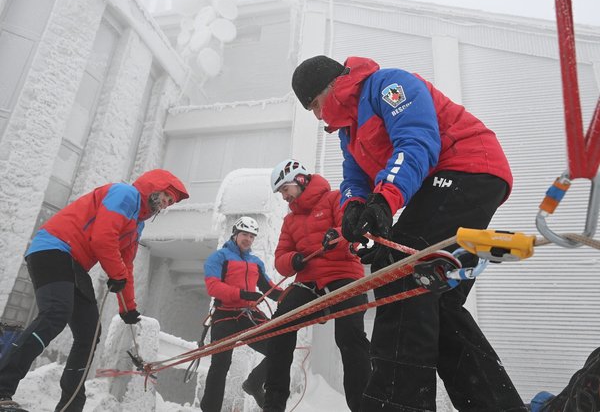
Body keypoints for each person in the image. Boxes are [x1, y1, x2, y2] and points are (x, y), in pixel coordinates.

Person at [290, 55, 527, 411]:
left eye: (314, 106)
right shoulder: (349, 133)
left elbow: (416, 142)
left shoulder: (389, 86)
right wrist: (356, 209)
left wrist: (384, 202)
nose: (317, 116)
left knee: (401, 268)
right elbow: (355, 178)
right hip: (446, 181)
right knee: (436, 298)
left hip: (468, 166)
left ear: (328, 89)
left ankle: (397, 402)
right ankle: (494, 404)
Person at [0, 169, 189, 412]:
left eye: (170, 202)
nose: (166, 204)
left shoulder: (136, 225)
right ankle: (2, 388)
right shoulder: (125, 194)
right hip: (52, 248)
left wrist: (128, 308)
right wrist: (117, 274)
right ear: (154, 187)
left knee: (90, 333)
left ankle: (71, 406)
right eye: (166, 196)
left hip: (75, 264)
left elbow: (126, 267)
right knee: (56, 313)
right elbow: (103, 238)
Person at [263, 159, 371, 412]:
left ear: (299, 180)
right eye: (280, 193)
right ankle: (273, 405)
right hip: (309, 280)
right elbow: (281, 258)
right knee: (279, 328)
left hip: (343, 272)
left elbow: (350, 227)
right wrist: (293, 260)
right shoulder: (290, 221)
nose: (283, 196)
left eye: (284, 189)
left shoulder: (334, 198)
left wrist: (338, 235)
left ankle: (364, 406)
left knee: (350, 336)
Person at [200, 216, 282, 412]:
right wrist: (242, 294)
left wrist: (292, 297)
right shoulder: (219, 257)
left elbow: (269, 289)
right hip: (224, 316)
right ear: (235, 235)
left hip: (249, 316)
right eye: (245, 235)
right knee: (220, 366)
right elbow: (213, 287)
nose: (248, 239)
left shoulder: (256, 262)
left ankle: (253, 383)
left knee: (279, 349)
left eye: (252, 236)